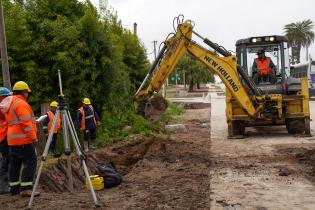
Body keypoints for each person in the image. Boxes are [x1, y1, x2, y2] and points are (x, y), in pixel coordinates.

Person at [0, 81, 39, 197]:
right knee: (31, 161)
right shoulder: (20, 103)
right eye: (27, 92)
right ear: (24, 92)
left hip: (12, 139)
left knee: (15, 164)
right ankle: (26, 188)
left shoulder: (10, 103)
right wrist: (34, 137)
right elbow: (26, 123)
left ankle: (14, 188)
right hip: (23, 139)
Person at [0, 87, 12, 194]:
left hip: (3, 137)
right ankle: (3, 186)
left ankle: (5, 184)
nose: (9, 98)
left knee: (6, 160)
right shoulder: (2, 107)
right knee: (6, 160)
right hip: (2, 138)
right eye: (7, 96)